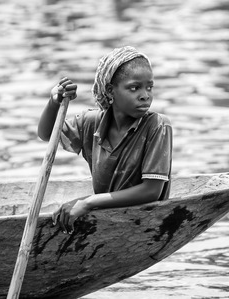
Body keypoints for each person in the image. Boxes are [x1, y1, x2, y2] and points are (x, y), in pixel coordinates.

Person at [38, 46, 173, 234]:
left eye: (149, 87)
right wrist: (54, 102)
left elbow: (151, 191)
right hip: (108, 220)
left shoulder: (157, 125)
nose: (145, 95)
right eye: (134, 88)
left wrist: (88, 202)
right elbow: (47, 135)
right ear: (110, 91)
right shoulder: (91, 123)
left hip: (143, 223)